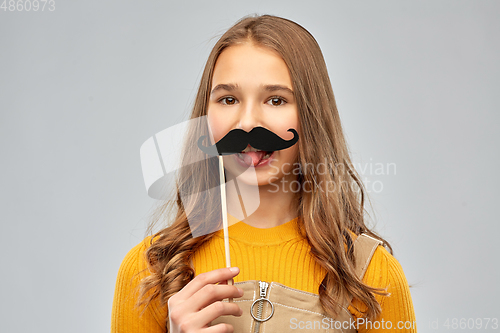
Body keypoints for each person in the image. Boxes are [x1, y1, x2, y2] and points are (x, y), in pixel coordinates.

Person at [111, 14, 416, 333]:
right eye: (228, 99)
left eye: (275, 99)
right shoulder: (149, 272)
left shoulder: (372, 275)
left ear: (311, 116)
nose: (247, 123)